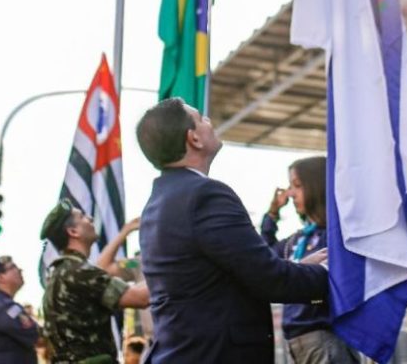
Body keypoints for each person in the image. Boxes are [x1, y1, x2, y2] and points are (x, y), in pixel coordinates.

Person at [136, 98, 329, 364]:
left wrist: (296, 267)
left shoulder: (158, 202)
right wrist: (327, 272)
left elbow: (229, 275)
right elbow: (269, 278)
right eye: (201, 118)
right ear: (194, 138)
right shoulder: (205, 195)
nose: (209, 122)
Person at [261, 156, 358, 363]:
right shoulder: (296, 240)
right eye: (290, 187)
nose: (290, 194)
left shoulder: (334, 234)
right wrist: (272, 215)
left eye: (297, 186)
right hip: (298, 342)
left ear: (317, 186)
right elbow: (264, 259)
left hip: (325, 337)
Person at [40, 201, 149, 363]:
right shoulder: (80, 272)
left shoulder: (61, 272)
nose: (90, 218)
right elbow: (141, 298)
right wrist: (176, 264)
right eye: (82, 216)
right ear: (73, 231)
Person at [0, 256, 39, 363]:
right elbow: (35, 334)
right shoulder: (4, 307)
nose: (20, 270)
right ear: (0, 277)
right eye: (13, 267)